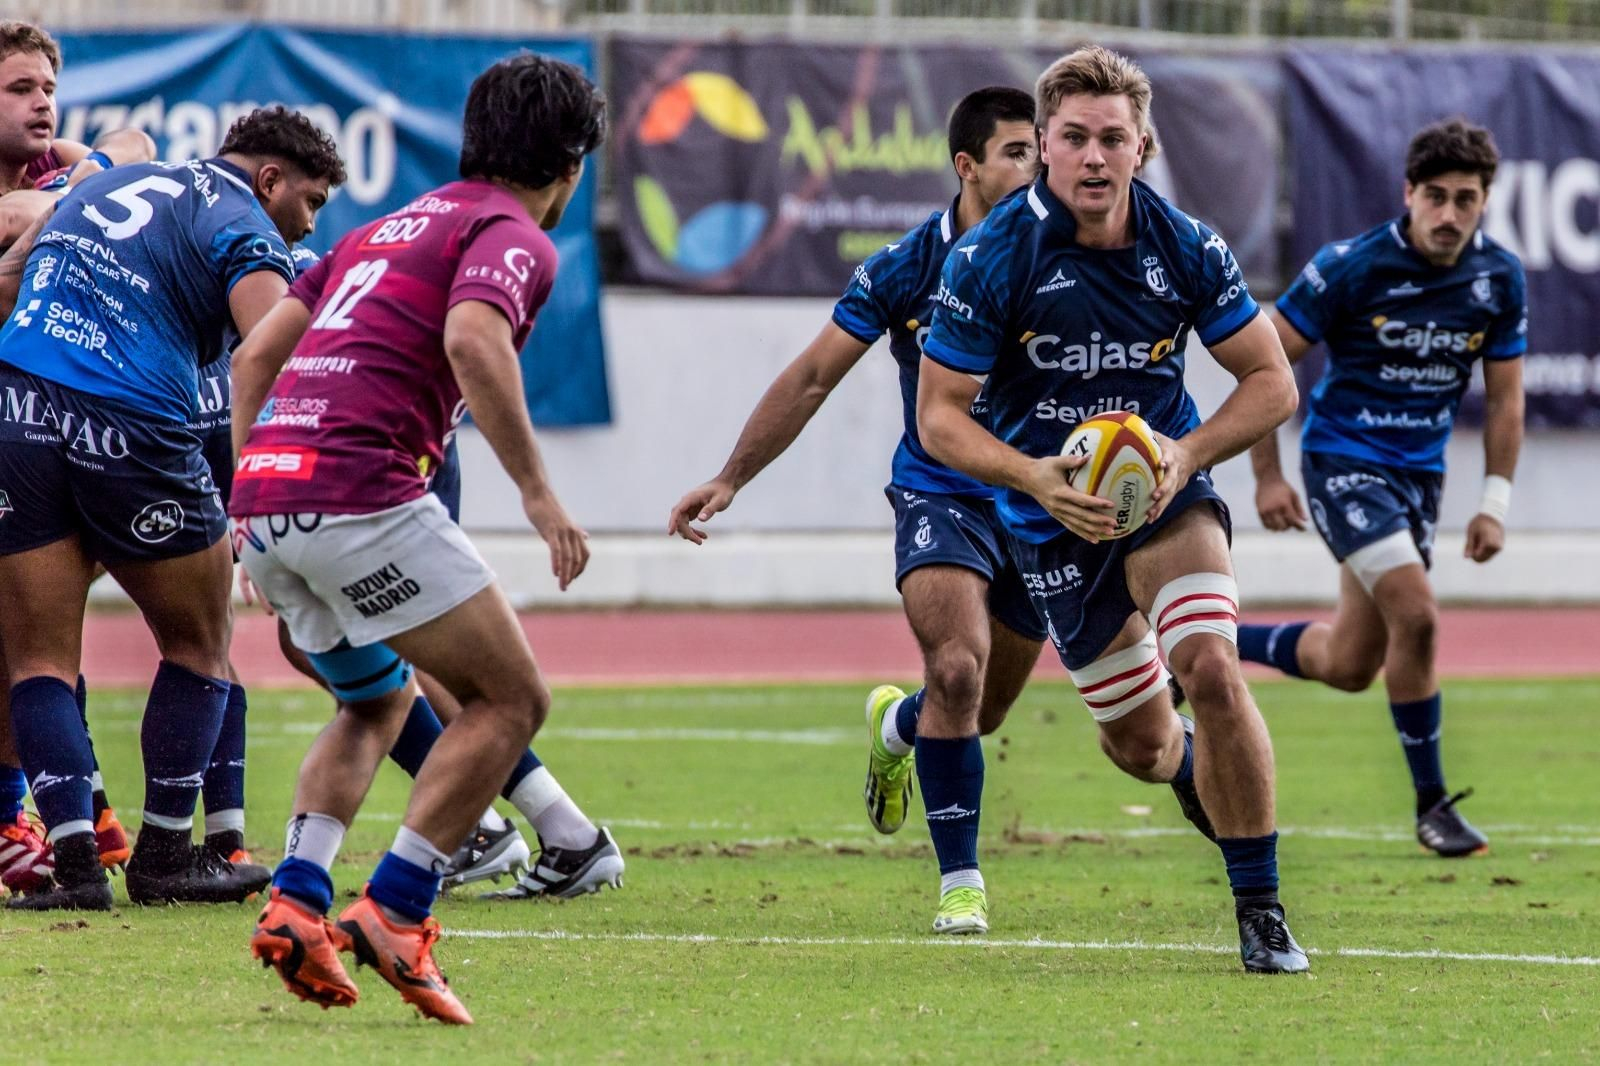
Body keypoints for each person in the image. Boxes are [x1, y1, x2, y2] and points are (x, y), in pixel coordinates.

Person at [673, 88, 1107, 935]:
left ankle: (896, 725)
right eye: (1017, 151)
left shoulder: (1082, 254)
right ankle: (961, 886)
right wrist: (731, 477)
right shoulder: (904, 265)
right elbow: (810, 378)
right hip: (939, 489)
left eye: (1038, 150)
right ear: (967, 166)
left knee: (977, 713)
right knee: (957, 668)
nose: (1035, 167)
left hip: (1039, 498)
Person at [917, 45, 1308, 973]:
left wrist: (1188, 453)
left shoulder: (1186, 245)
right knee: (1139, 745)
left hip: (1164, 495)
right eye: (1075, 138)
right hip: (1049, 519)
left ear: (1146, 148)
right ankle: (1193, 769)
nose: (1095, 158)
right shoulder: (989, 256)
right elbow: (939, 417)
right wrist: (1034, 476)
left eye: (1115, 140)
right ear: (1045, 146)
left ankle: (1260, 910)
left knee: (1211, 665)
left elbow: (1271, 381)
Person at [232, 53, 606, 1024]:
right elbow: (474, 341)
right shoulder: (512, 230)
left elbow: (257, 351)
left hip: (272, 499)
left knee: (374, 703)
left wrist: (249, 489)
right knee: (510, 696)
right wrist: (538, 493)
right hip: (363, 494)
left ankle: (298, 899)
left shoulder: (376, 229)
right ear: (570, 164)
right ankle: (399, 907)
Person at [0, 106, 341, 911]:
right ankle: (161, 859)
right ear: (269, 178)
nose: (306, 222)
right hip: (131, 421)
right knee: (200, 643)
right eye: (311, 200)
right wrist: (279, 477)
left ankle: (76, 871)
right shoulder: (243, 220)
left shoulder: (102, 186)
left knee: (39, 660)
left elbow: (13, 282)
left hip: (18, 407)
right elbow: (269, 350)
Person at [1239, 118, 1525, 858]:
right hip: (1342, 461)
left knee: (1350, 664)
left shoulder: (1498, 279)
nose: (1450, 214)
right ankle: (1432, 805)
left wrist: (1494, 502)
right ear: (1409, 194)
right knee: (1418, 616)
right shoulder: (1351, 266)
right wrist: (1268, 475)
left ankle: (1204, 645)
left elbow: (1504, 400)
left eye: (1467, 199)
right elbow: (1264, 360)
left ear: (1486, 201)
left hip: (1417, 480)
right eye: (1437, 196)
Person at [0, 19, 159, 897]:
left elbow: (132, 146)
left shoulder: (56, 177)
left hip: (42, 444)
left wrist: (67, 187)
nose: (43, 103)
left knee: (37, 643)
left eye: (47, 90)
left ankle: (60, 804)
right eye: (20, 88)